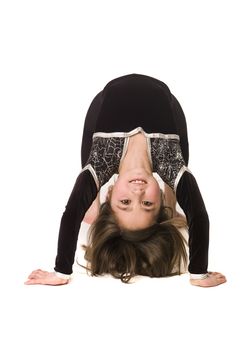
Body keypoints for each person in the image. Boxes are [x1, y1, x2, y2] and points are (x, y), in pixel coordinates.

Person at [25, 73, 226, 287]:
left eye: (125, 203)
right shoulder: (170, 163)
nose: (137, 193)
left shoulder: (100, 162)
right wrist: (198, 274)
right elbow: (199, 215)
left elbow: (71, 214)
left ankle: (94, 203)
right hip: (166, 97)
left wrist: (61, 273)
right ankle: (171, 198)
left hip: (104, 98)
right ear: (159, 199)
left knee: (87, 167)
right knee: (182, 163)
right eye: (147, 204)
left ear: (109, 196)